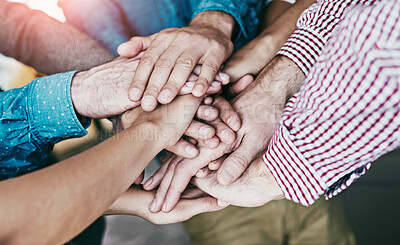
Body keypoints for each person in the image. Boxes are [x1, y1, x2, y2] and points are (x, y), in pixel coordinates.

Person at [61, 0, 355, 244]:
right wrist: (150, 95)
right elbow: (114, 57)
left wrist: (228, 35)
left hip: (297, 145)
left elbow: (313, 8)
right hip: (212, 175)